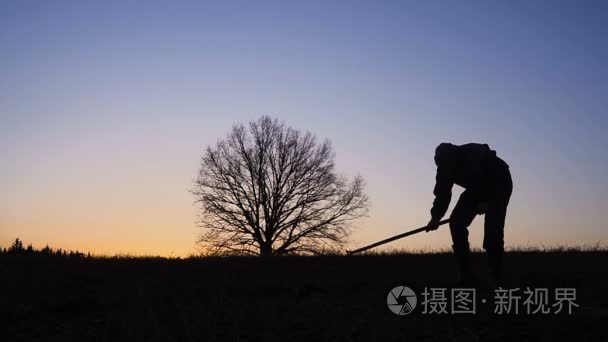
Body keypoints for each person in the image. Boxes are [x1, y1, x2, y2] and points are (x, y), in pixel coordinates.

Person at [426, 143, 512, 282]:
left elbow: (492, 174)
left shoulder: (474, 154)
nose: (448, 169)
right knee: (456, 222)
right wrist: (435, 217)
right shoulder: (444, 168)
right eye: (444, 167)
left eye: (449, 165)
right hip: (475, 188)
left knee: (493, 229)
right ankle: (466, 273)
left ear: (454, 157)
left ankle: (496, 273)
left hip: (499, 182)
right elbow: (442, 194)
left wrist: (485, 201)